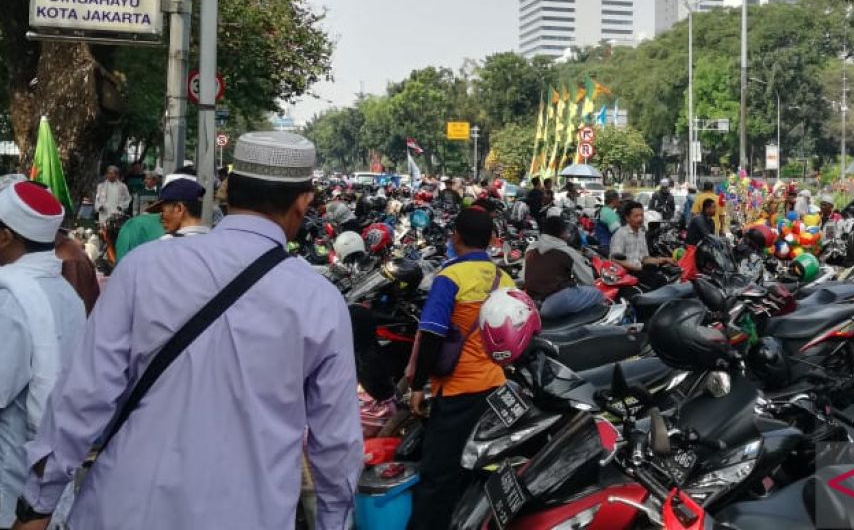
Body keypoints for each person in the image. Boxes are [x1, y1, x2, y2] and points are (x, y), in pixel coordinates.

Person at [19, 131, 361, 530]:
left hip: (122, 509)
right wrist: (334, 521)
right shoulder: (320, 301)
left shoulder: (143, 268)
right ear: (303, 203)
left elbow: (83, 395)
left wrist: (38, 506)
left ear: (226, 191)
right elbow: (336, 443)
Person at [408, 208, 515, 530]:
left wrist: (417, 386)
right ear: (491, 241)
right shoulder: (504, 278)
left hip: (457, 390)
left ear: (455, 236)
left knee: (438, 475)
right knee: (476, 467)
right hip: (495, 386)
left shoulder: (450, 277)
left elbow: (431, 334)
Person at [0, 183, 86, 530]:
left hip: (12, 477)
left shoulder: (10, 300)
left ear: (5, 236)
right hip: (53, 475)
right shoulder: (65, 293)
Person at [524, 214, 606, 319]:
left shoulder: (530, 248)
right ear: (563, 233)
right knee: (597, 293)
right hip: (552, 305)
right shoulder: (567, 251)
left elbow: (524, 276)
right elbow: (588, 280)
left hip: (532, 302)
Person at [610, 203, 672, 289]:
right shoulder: (621, 234)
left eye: (641, 215)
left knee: (667, 275)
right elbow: (615, 259)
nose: (640, 219)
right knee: (659, 282)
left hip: (639, 270)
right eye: (636, 216)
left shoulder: (641, 234)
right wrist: (637, 268)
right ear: (627, 218)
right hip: (625, 274)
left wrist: (663, 259)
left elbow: (644, 258)